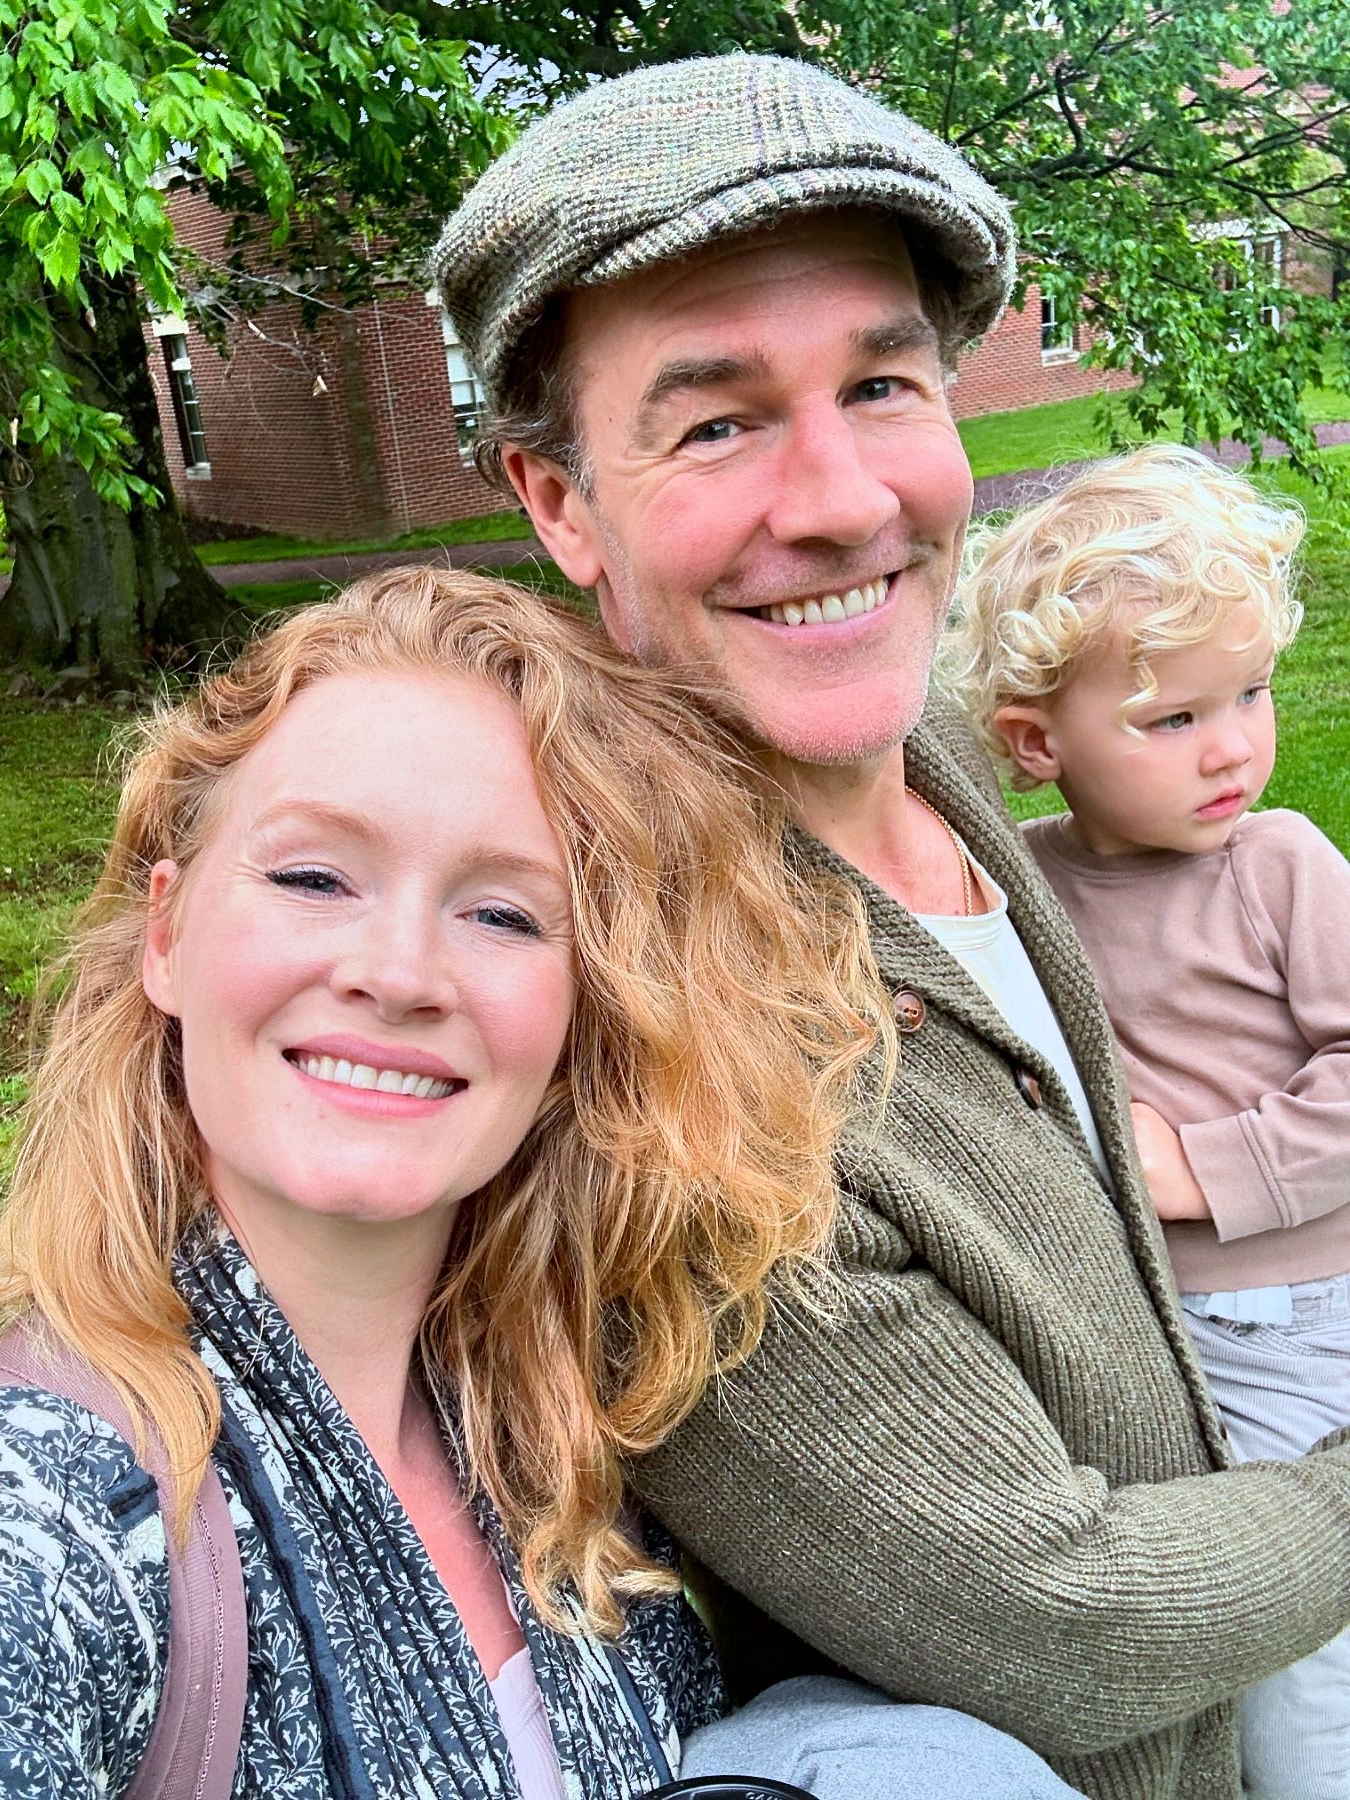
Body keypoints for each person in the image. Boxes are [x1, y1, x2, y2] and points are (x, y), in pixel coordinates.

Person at [431, 50, 1350, 1800]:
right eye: (715, 420)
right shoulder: (661, 1059)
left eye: (884, 384)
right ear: (559, 501)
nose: (842, 499)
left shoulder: (925, 741)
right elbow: (1058, 1621)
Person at [0, 566, 890, 1797]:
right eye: (314, 878)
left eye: (502, 914)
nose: (401, 971)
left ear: (584, 1017)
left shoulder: (557, 1442)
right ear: (168, 934)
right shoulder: (32, 1504)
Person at [945, 443, 1350, 1799]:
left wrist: (1212, 1166)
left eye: (1247, 693)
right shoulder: (1027, 886)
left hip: (1307, 1310)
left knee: (1305, 1666)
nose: (1232, 742)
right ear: (1035, 745)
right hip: (1164, 1331)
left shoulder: (1284, 866)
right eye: (1171, 719)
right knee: (1218, 1620)